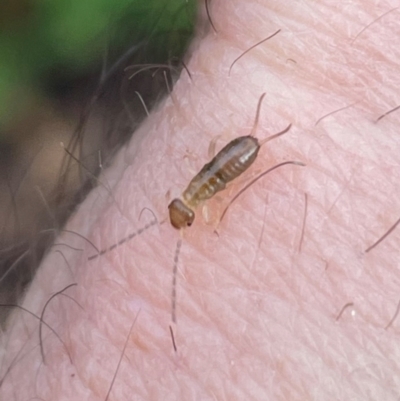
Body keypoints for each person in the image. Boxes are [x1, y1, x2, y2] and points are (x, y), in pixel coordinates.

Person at [2, 1, 400, 399]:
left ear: (184, 207)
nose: (181, 214)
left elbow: (218, 198)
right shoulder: (193, 193)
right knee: (222, 174)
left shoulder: (199, 201)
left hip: (235, 158)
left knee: (225, 178)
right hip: (228, 161)